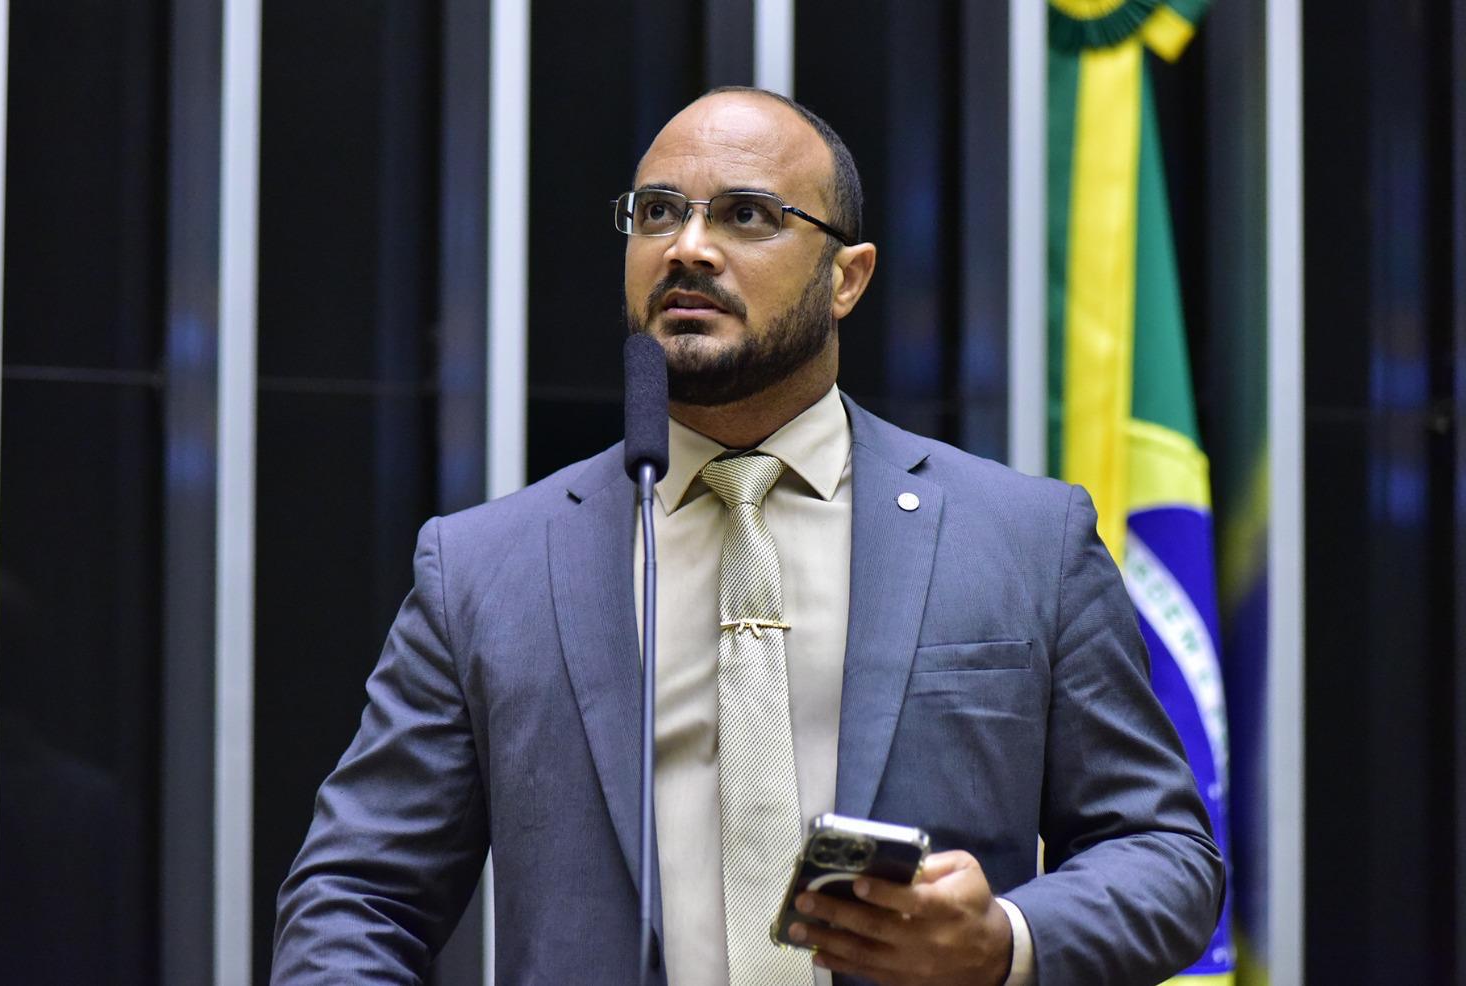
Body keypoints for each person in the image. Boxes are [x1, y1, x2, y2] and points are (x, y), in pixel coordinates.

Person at [271, 87, 1224, 986]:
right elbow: (356, 894)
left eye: (746, 215)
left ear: (847, 277)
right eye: (657, 213)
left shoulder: (1026, 541)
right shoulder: (487, 567)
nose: (688, 248)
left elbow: (1165, 855)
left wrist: (1002, 941)